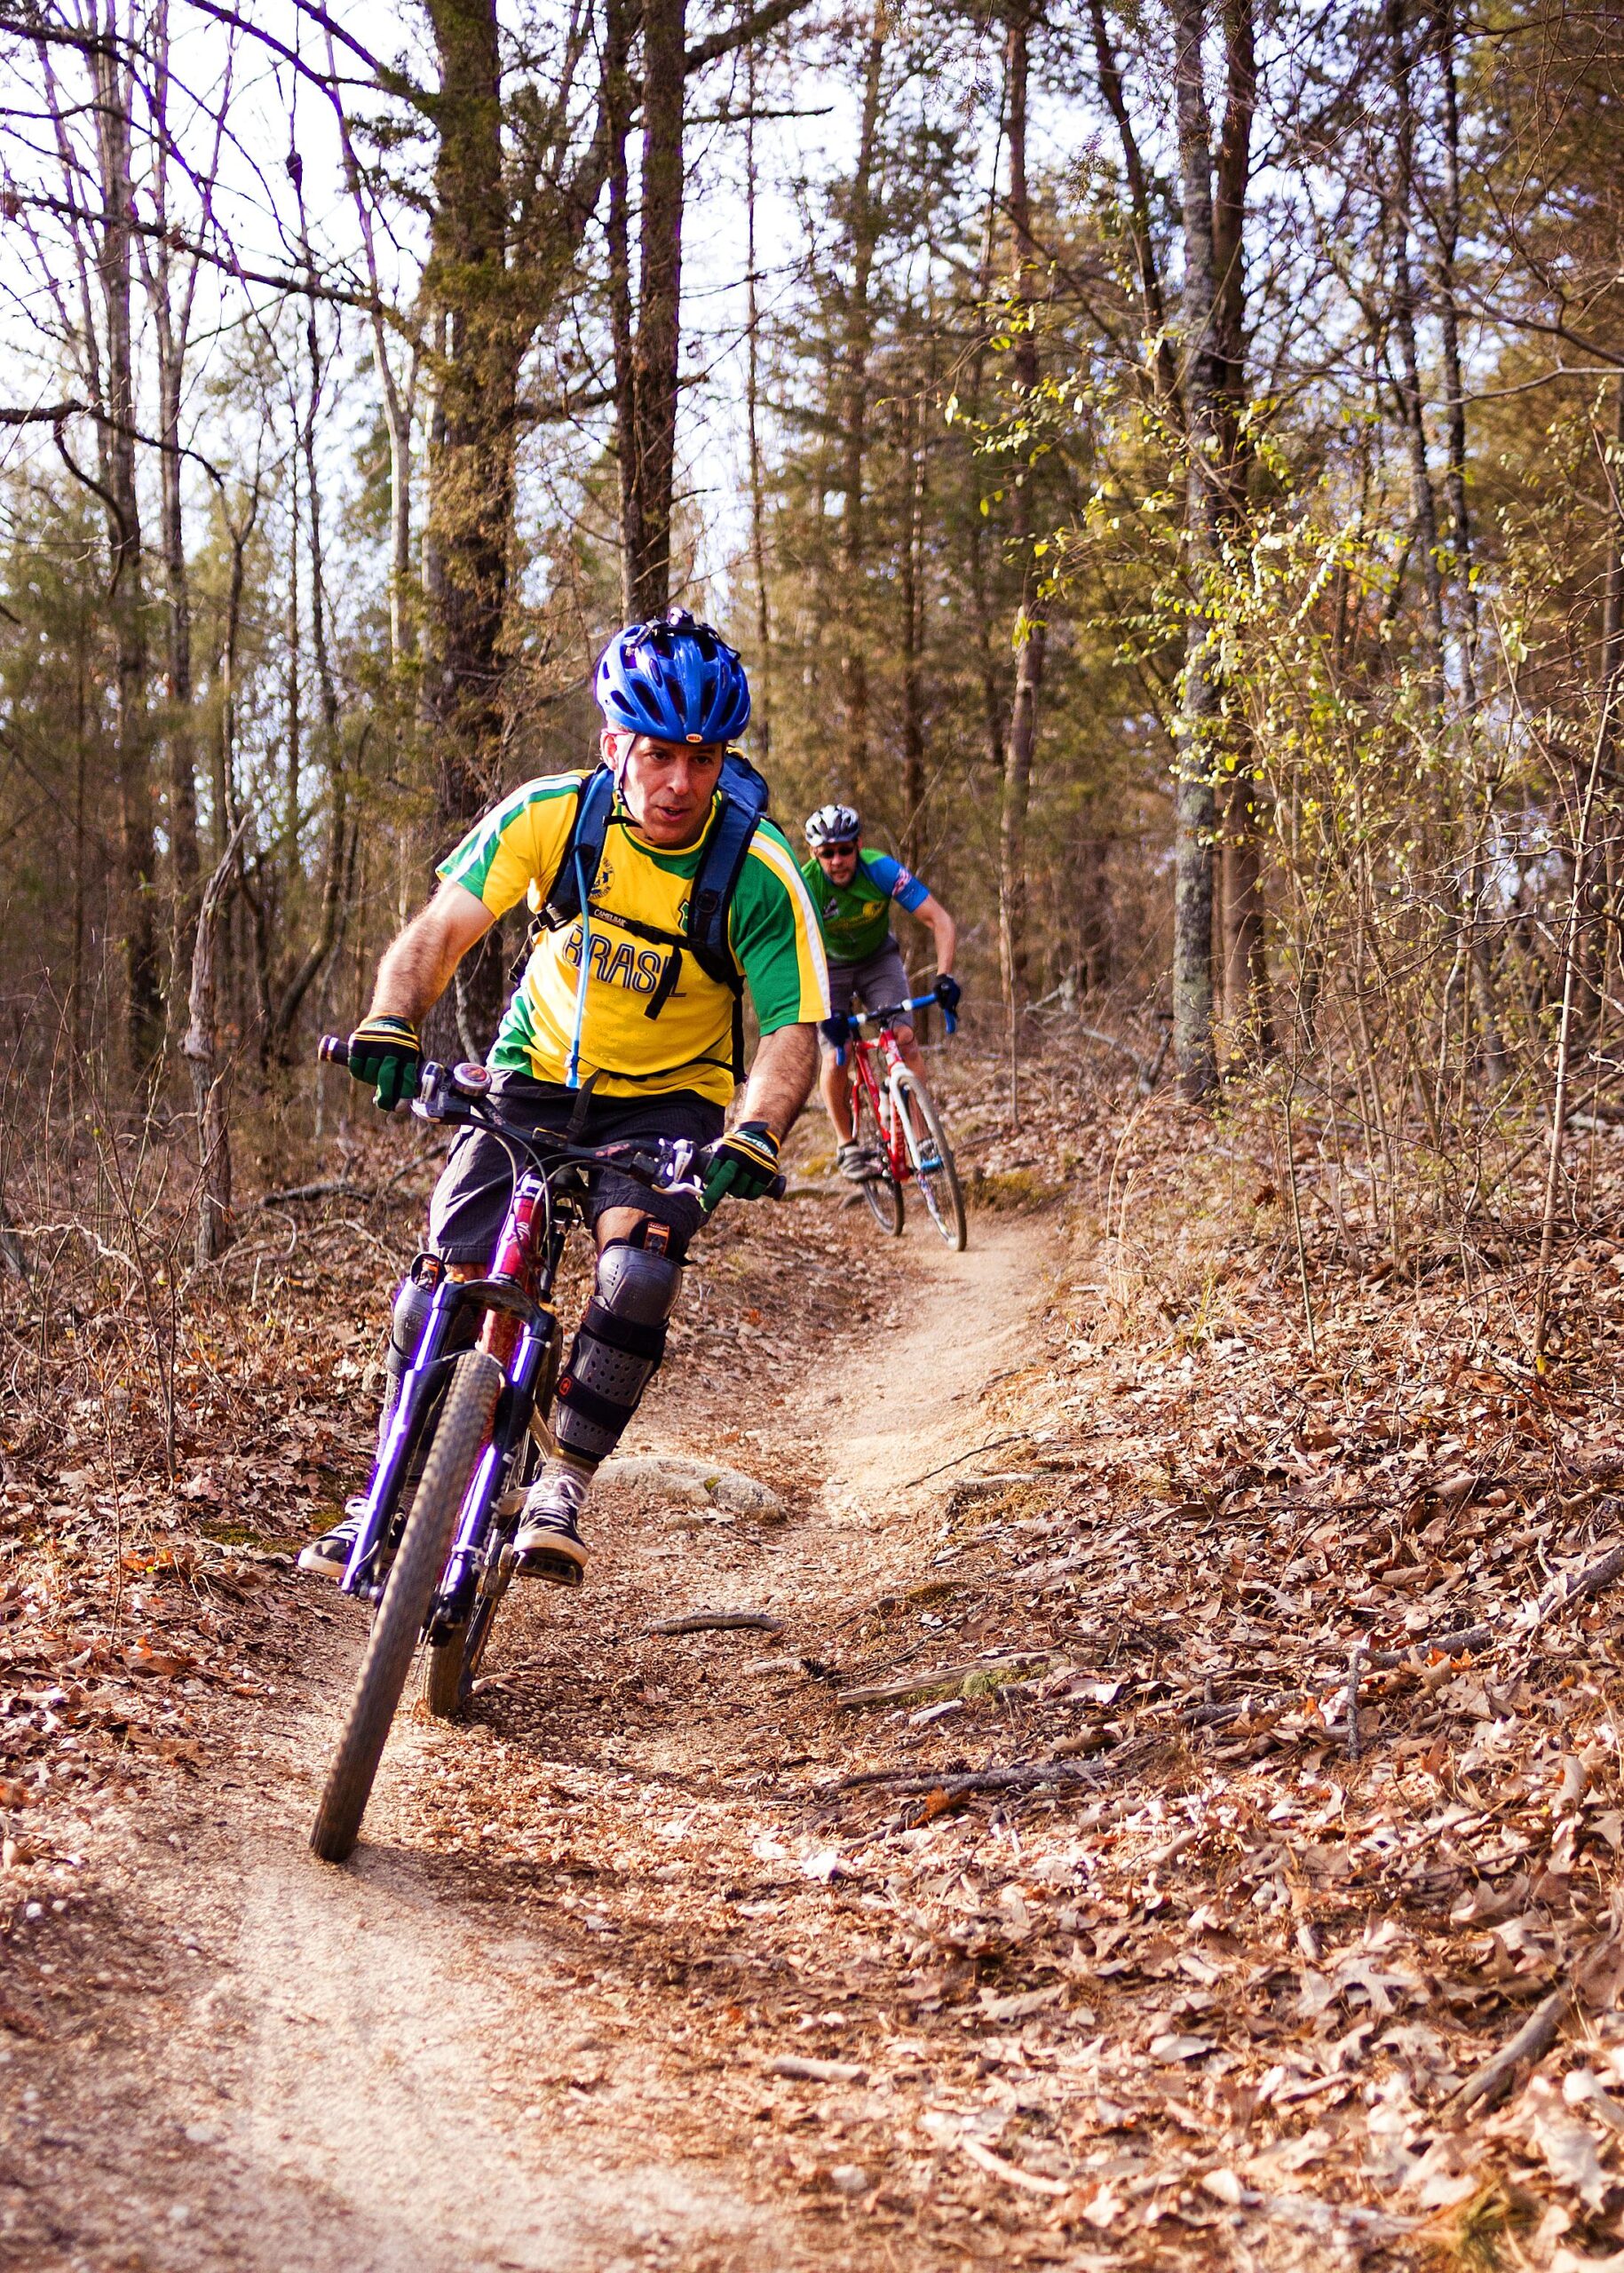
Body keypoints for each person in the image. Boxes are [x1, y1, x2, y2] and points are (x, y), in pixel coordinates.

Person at [299, 609, 828, 1588]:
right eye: (660, 753)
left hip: (664, 1104)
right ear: (612, 743)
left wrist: (757, 1129)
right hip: (534, 1077)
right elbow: (440, 930)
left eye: (703, 759)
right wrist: (389, 1018)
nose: (679, 782)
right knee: (441, 1281)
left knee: (637, 1273)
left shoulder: (756, 870)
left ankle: (565, 1481)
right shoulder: (551, 814)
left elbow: (791, 1026)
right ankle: (390, 1484)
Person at [800, 804, 958, 1180]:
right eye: (827, 853)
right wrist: (823, 1013)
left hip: (877, 960)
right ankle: (847, 1146)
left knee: (904, 1038)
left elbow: (940, 919)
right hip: (827, 968)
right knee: (838, 1056)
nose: (837, 860)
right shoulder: (806, 884)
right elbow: (794, 950)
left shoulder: (882, 870)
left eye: (845, 850)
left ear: (858, 846)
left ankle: (922, 1137)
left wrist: (945, 976)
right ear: (814, 854)